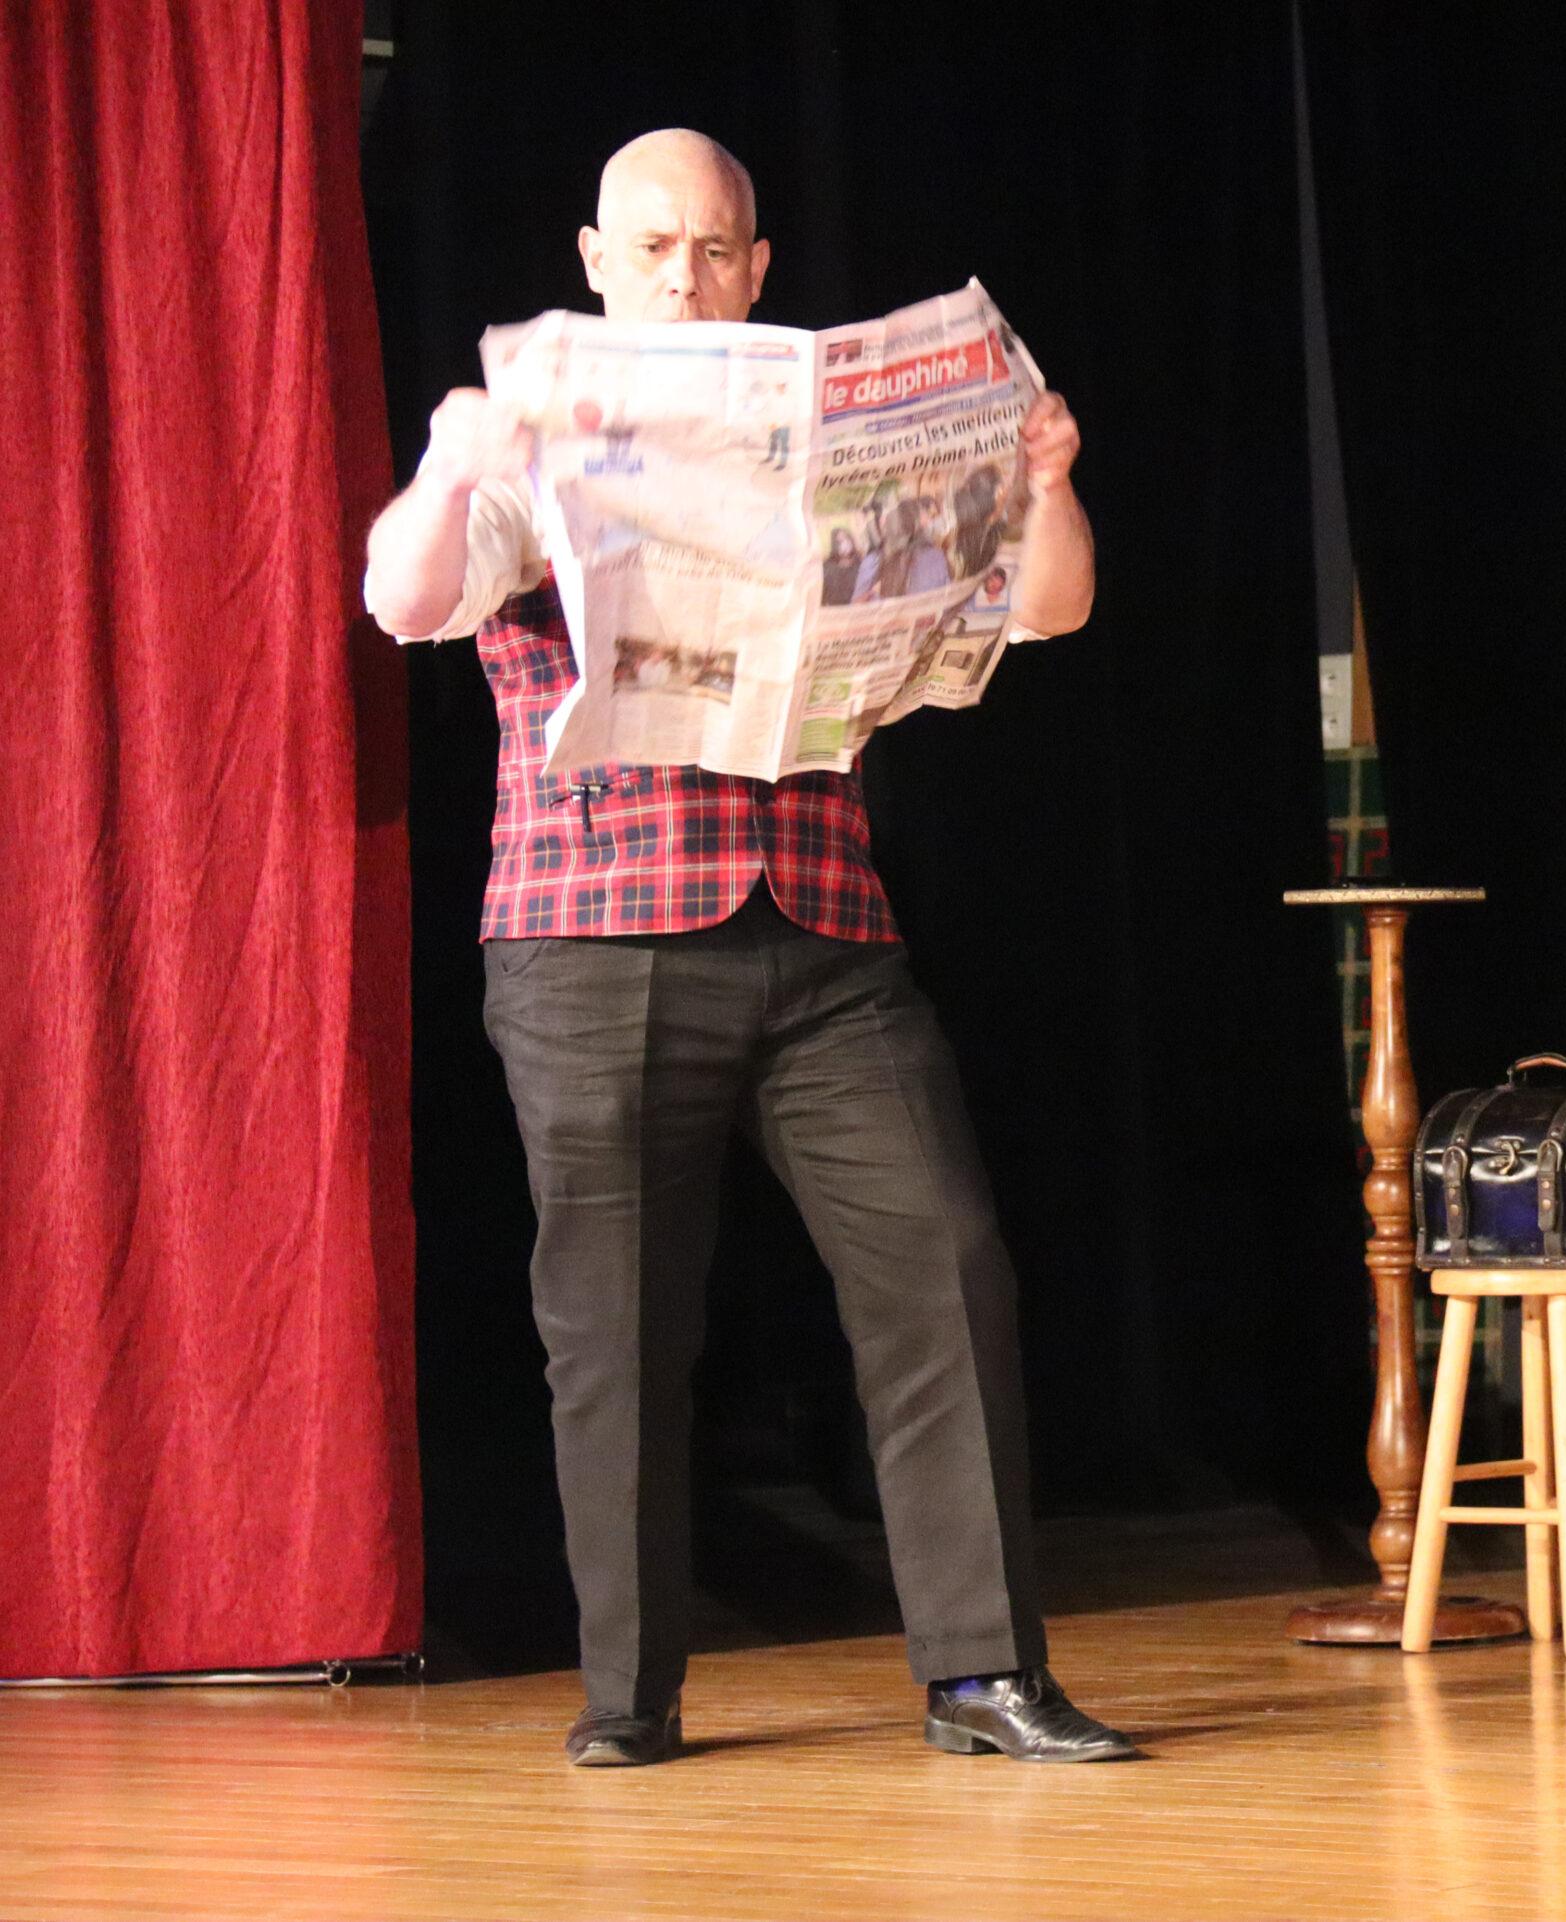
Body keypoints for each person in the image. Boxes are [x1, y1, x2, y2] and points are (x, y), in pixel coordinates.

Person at [362, 128, 1130, 1768]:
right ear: (595, 260)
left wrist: (1044, 478)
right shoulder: (535, 445)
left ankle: (984, 1672)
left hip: (825, 935)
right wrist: (450, 460)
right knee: (620, 1327)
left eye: (714, 249)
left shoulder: (829, 435)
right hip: (594, 940)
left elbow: (1050, 609)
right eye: (654, 249)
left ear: (759, 268)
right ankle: (630, 1695)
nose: (685, 276)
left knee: (947, 1260)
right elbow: (408, 600)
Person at [819, 525, 861, 605]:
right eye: (840, 541)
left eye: (846, 539)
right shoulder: (828, 567)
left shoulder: (859, 565)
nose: (845, 544)